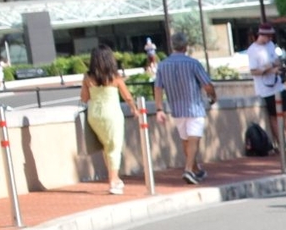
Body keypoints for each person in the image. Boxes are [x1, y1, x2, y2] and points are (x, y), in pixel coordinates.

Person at [153, 33, 217, 183]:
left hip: (176, 107)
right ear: (185, 46)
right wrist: (212, 96)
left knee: (185, 139)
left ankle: (195, 169)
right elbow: (207, 84)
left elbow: (157, 88)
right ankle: (188, 169)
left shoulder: (163, 65)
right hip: (193, 105)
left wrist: (159, 108)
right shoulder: (193, 63)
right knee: (194, 138)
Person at [78, 45, 139, 195]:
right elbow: (127, 96)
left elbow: (84, 98)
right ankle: (113, 181)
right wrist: (134, 109)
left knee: (107, 146)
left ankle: (115, 178)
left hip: (95, 115)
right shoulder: (115, 77)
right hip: (112, 114)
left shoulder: (87, 77)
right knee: (114, 147)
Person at [244, 25, 286, 149]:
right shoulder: (253, 50)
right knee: (274, 115)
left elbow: (276, 60)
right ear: (261, 35)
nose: (270, 38)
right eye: (268, 36)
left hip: (278, 84)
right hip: (266, 89)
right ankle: (280, 143)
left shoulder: (271, 46)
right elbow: (254, 71)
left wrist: (278, 67)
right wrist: (269, 68)